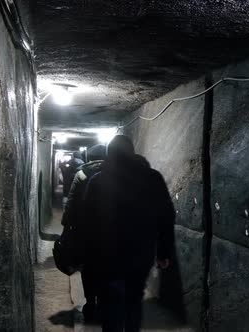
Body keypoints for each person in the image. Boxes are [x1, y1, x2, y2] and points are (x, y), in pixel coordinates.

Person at [83, 135, 175, 332]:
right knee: (134, 299)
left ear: (109, 155)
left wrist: (88, 255)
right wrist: (164, 252)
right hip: (141, 253)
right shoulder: (153, 178)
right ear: (132, 152)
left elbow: (87, 222)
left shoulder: (98, 181)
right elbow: (166, 216)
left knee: (110, 301)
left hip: (107, 254)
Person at [60, 144, 106, 322]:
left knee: (88, 268)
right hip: (108, 229)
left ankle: (90, 303)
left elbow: (71, 202)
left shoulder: (81, 174)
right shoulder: (114, 173)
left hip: (85, 229)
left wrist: (66, 226)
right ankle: (103, 301)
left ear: (89, 157)